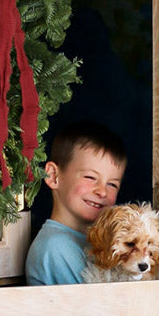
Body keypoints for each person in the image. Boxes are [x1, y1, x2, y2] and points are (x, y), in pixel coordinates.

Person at [25, 121, 127, 286]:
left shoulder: (94, 243)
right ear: (53, 176)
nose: (102, 191)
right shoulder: (56, 247)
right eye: (90, 177)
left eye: (112, 184)